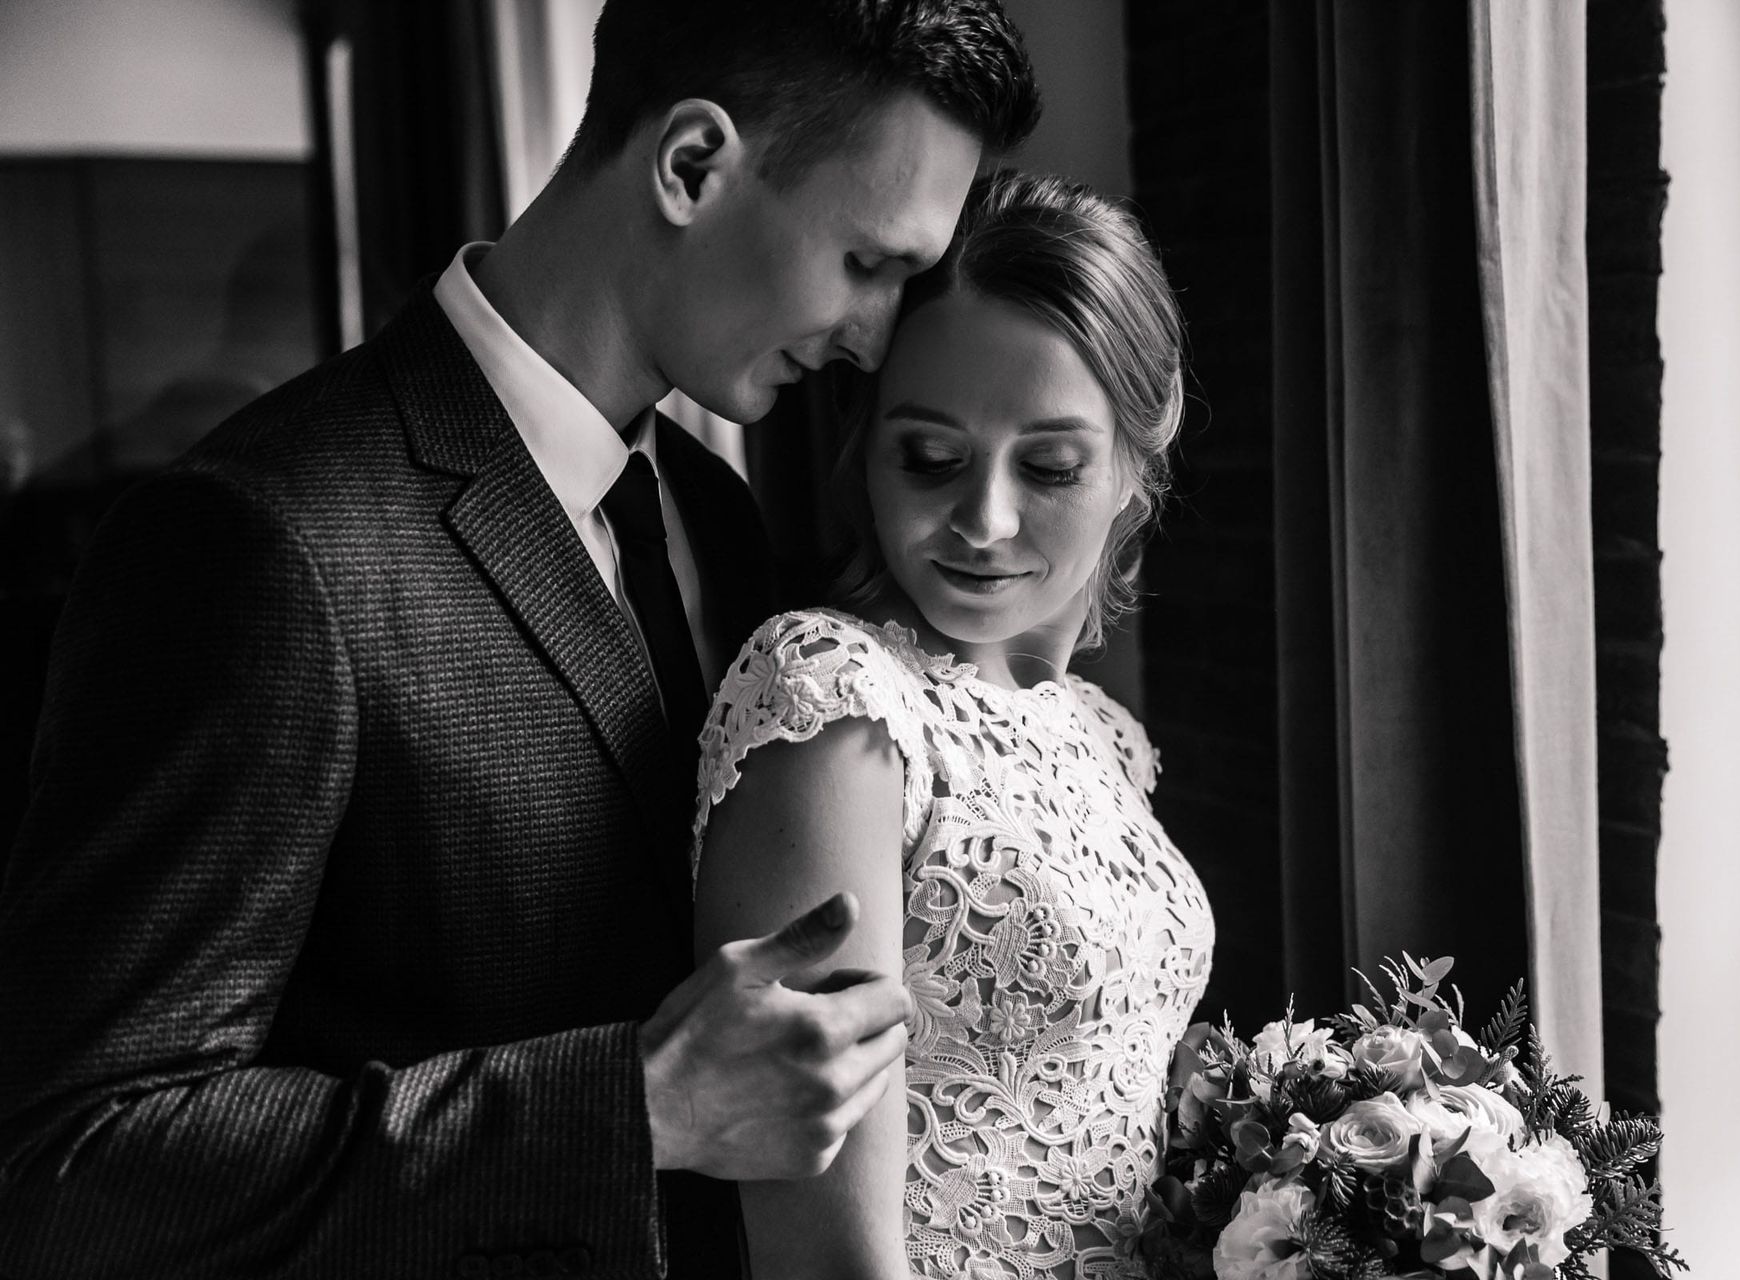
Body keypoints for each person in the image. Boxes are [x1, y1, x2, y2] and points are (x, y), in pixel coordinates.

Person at [0, 3, 1038, 1276]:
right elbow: (71, 1160)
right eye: (869, 265)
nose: (875, 340)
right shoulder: (261, 537)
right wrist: (632, 1107)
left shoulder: (716, 514)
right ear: (692, 165)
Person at [691, 170, 1215, 1280]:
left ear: (1134, 456)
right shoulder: (828, 694)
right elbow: (822, 1259)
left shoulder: (1100, 734)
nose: (984, 520)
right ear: (864, 441)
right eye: (929, 457)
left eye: (1051, 465)